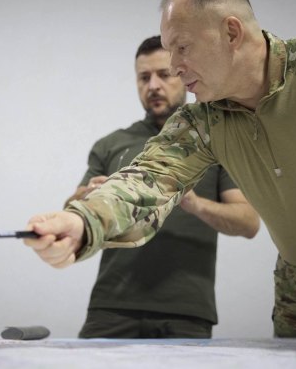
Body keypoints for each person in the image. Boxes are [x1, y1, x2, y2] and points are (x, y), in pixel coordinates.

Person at [24, 0, 296, 365]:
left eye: (182, 48)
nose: (175, 65)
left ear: (230, 32)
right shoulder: (202, 120)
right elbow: (145, 181)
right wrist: (81, 222)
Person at [65, 35, 259, 339]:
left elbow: (249, 223)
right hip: (112, 305)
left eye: (163, 74)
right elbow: (72, 209)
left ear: (183, 75)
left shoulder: (215, 141)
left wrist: (194, 203)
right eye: (144, 77)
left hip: (186, 309)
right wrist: (89, 196)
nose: (153, 85)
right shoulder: (110, 144)